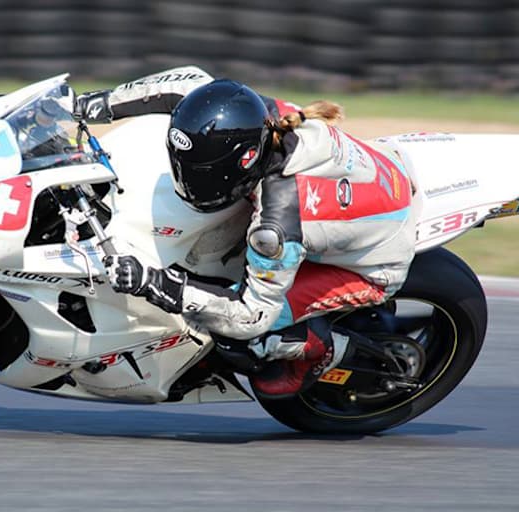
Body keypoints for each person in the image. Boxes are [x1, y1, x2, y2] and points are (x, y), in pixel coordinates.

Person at [75, 66, 416, 398]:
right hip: (383, 175)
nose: (189, 179)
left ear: (244, 161)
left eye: (203, 172)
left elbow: (250, 315)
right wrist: (93, 104)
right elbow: (188, 85)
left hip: (372, 264)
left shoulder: (275, 229)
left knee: (233, 338)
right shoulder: (256, 115)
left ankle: (323, 351)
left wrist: (156, 283)